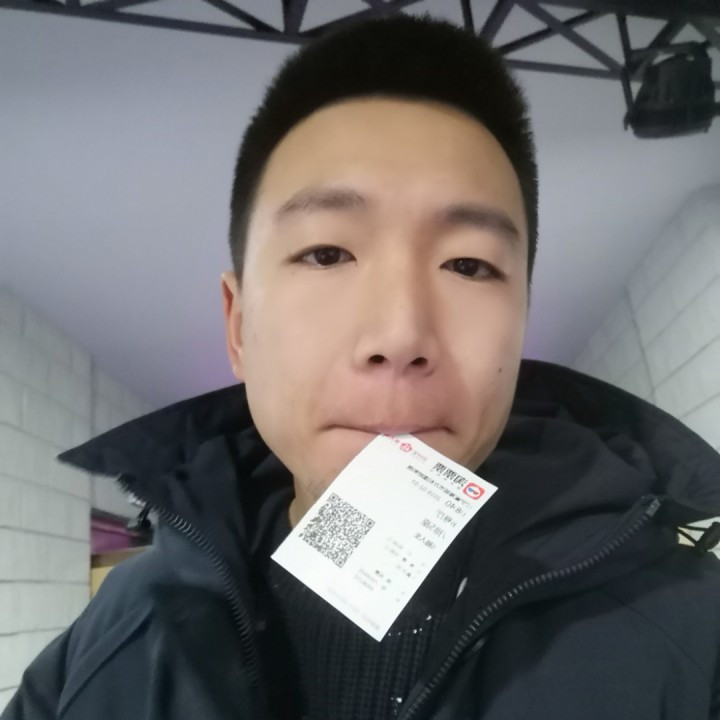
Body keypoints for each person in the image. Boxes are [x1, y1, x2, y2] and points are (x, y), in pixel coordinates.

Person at [4, 13, 720, 720]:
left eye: (468, 265)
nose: (400, 334)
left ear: (521, 321)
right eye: (327, 253)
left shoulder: (692, 637)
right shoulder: (108, 645)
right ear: (239, 324)